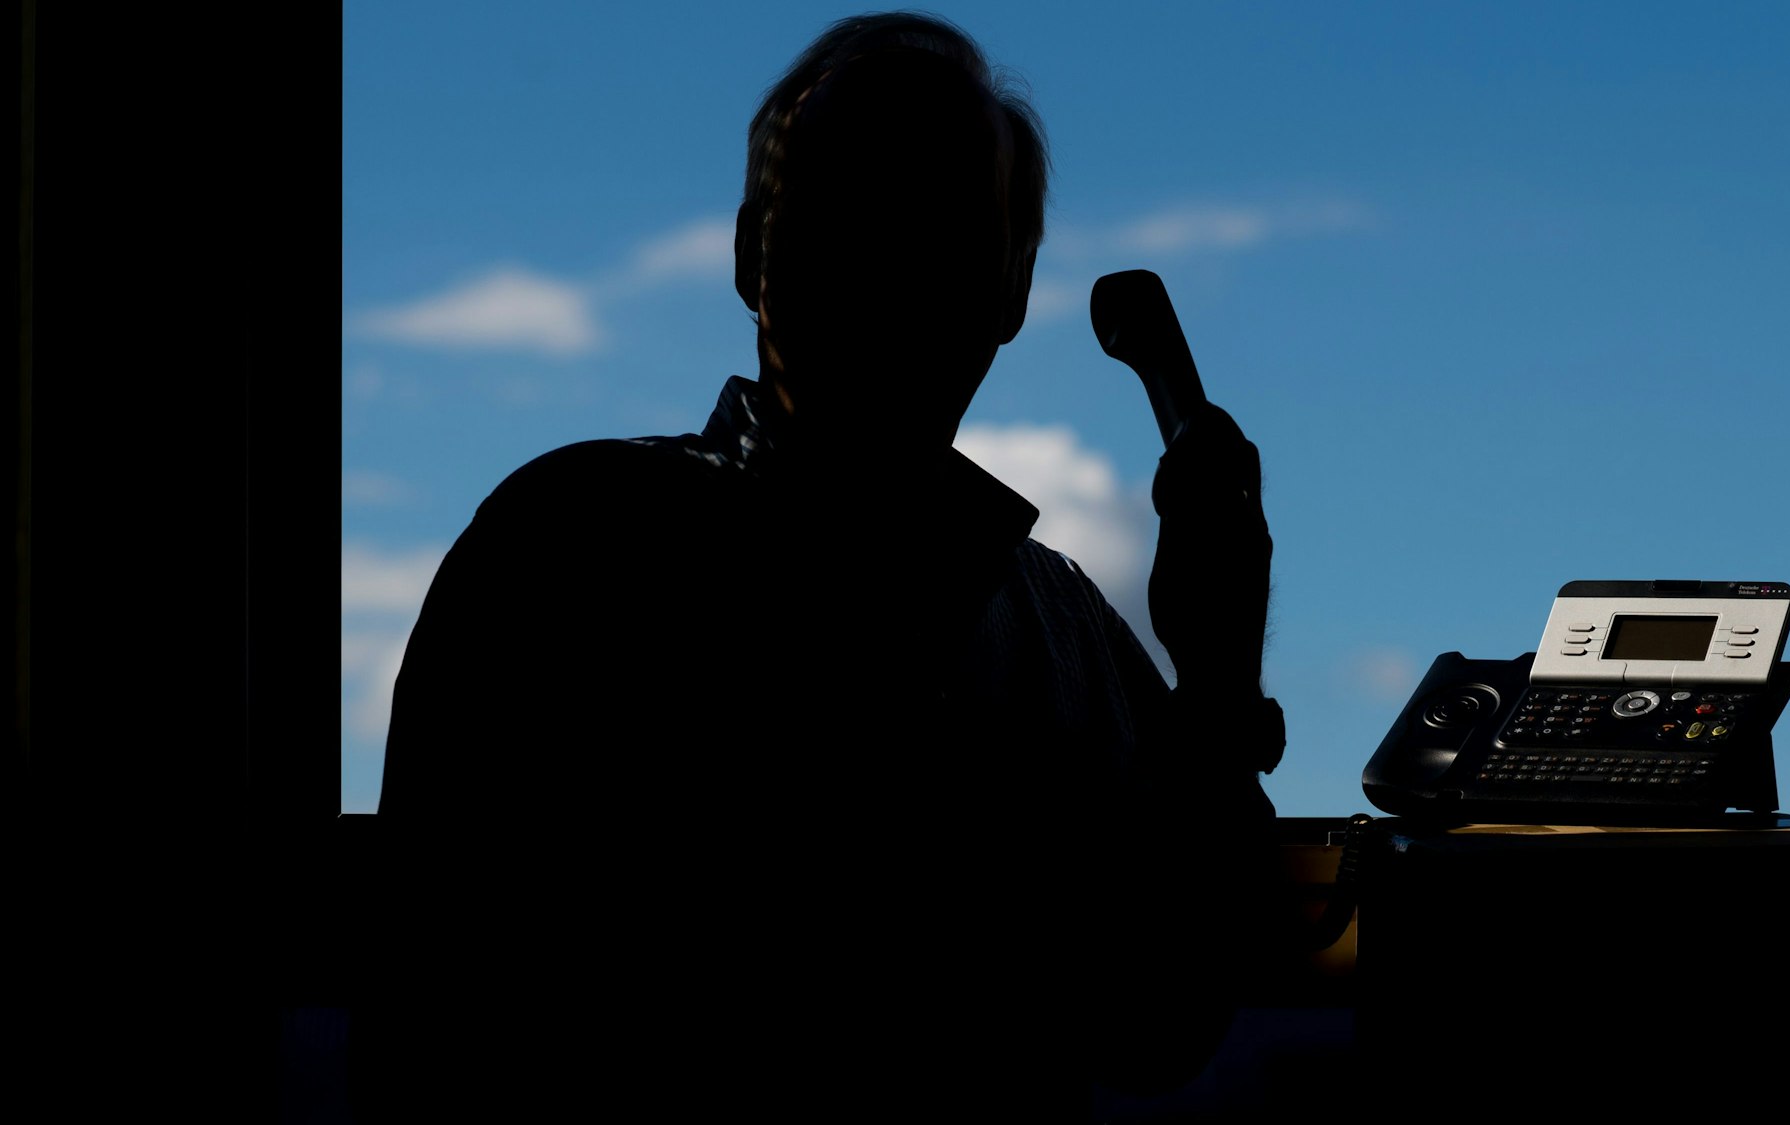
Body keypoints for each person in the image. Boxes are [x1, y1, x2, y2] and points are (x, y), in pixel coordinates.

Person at [360, 12, 1288, 1121]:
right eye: (852, 206)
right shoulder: (566, 549)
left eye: (942, 222)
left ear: (1008, 297)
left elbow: (1156, 1021)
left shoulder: (1069, 629)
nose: (893, 259)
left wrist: (1219, 676)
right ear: (755, 253)